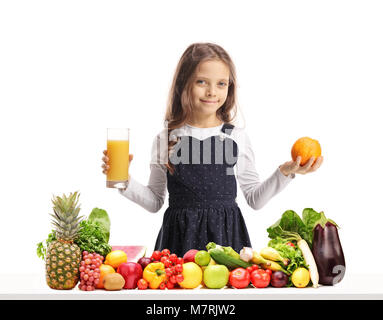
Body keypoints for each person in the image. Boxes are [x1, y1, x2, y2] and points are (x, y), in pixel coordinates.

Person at [102, 42, 323, 256]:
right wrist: (124, 180)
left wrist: (286, 172)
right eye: (201, 81)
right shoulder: (166, 138)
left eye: (221, 84)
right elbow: (154, 202)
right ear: (183, 83)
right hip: (179, 241)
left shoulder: (236, 137)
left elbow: (255, 199)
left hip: (226, 241)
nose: (212, 91)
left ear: (230, 87)